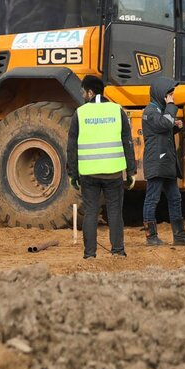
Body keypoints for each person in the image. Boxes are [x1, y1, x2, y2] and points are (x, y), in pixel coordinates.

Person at [67, 75, 136, 258]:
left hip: (88, 174)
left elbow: (71, 146)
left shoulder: (80, 113)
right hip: (113, 173)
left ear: (90, 92)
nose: (82, 95)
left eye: (83, 91)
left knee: (90, 213)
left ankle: (90, 254)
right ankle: (118, 252)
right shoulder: (117, 110)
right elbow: (127, 142)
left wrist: (72, 174)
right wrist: (131, 171)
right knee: (114, 211)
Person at [141, 77, 185, 246]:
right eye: (169, 94)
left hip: (166, 162)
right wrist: (171, 107)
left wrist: (175, 127)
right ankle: (151, 236)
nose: (171, 98)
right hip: (157, 162)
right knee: (152, 198)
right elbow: (162, 125)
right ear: (160, 94)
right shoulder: (150, 111)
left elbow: (162, 130)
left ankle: (179, 236)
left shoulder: (158, 110)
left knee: (175, 198)